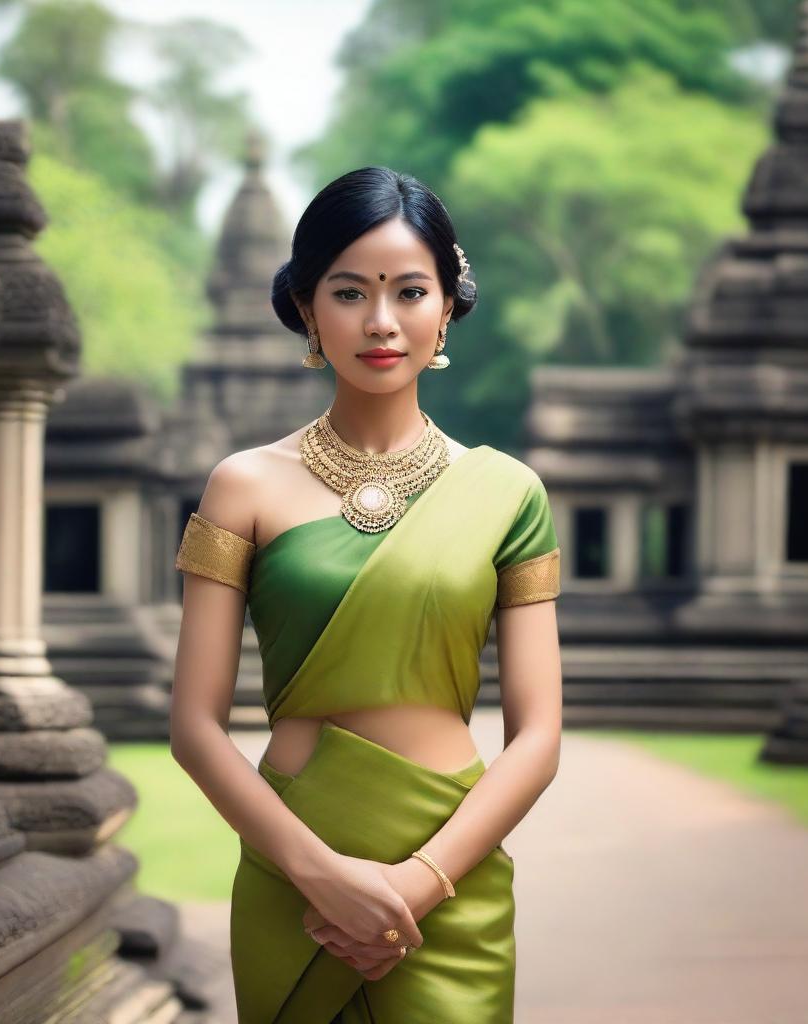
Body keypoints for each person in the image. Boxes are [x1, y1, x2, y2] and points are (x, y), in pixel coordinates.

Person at [170, 165, 562, 1023]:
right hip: (291, 874)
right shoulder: (243, 487)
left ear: (447, 307)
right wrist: (318, 874)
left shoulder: (508, 493)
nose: (381, 322)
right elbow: (193, 728)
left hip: (449, 880)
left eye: (409, 291)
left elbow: (538, 738)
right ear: (308, 309)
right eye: (350, 293)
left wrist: (418, 884)